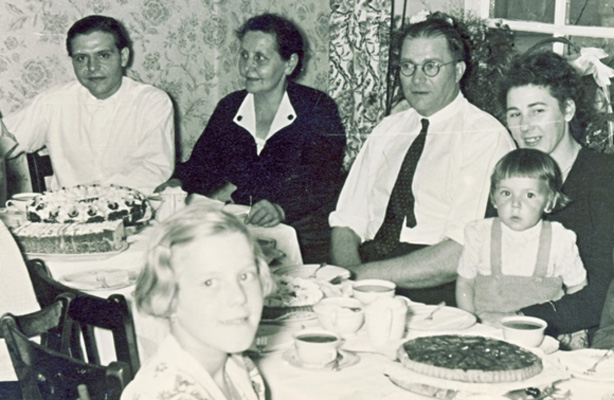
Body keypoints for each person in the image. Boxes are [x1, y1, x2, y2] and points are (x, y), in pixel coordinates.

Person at [329, 14, 515, 305]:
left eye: (431, 67)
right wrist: (351, 281)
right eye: (408, 66)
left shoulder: (485, 136)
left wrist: (363, 277)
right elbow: (346, 221)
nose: (417, 79)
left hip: (434, 288)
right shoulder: (387, 129)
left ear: (459, 71)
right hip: (364, 273)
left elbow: (459, 252)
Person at [158, 13, 346, 263]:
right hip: (245, 227)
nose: (248, 67)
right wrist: (177, 182)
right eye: (244, 55)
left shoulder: (317, 108)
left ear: (289, 64)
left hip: (303, 234)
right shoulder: (230, 107)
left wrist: (281, 207)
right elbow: (203, 165)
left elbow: (325, 180)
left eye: (260, 58)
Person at [499, 50, 614, 346]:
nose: (525, 126)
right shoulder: (511, 180)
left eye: (538, 111)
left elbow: (599, 295)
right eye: (515, 114)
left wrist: (518, 318)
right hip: (510, 324)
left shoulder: (605, 178)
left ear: (568, 110)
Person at [1, 15, 175, 194]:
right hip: (68, 215)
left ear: (123, 57)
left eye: (103, 55)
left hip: (131, 210)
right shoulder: (54, 101)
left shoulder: (152, 102)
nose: (92, 67)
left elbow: (155, 168)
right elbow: (6, 140)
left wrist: (95, 197)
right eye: (81, 58)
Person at [121, 203, 274, 399]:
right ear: (168, 296)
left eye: (245, 276)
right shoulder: (167, 394)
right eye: (209, 282)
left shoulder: (236, 364)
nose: (238, 296)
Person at [456, 148, 587, 319]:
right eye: (506, 193)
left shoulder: (559, 238)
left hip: (541, 332)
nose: (515, 203)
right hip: (488, 329)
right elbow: (465, 282)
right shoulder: (479, 233)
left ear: (549, 202)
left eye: (529, 195)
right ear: (494, 199)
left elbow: (577, 288)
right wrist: (469, 321)